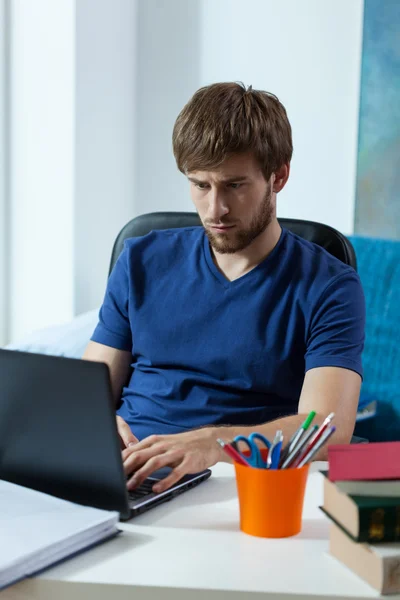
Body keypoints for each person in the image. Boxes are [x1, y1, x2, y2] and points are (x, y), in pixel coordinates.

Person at [83, 82, 365, 494]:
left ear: (279, 176)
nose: (215, 209)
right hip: (125, 476)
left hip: (236, 485)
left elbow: (326, 431)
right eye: (200, 185)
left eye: (234, 185)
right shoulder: (141, 260)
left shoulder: (330, 287)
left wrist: (212, 445)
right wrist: (91, 423)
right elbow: (89, 389)